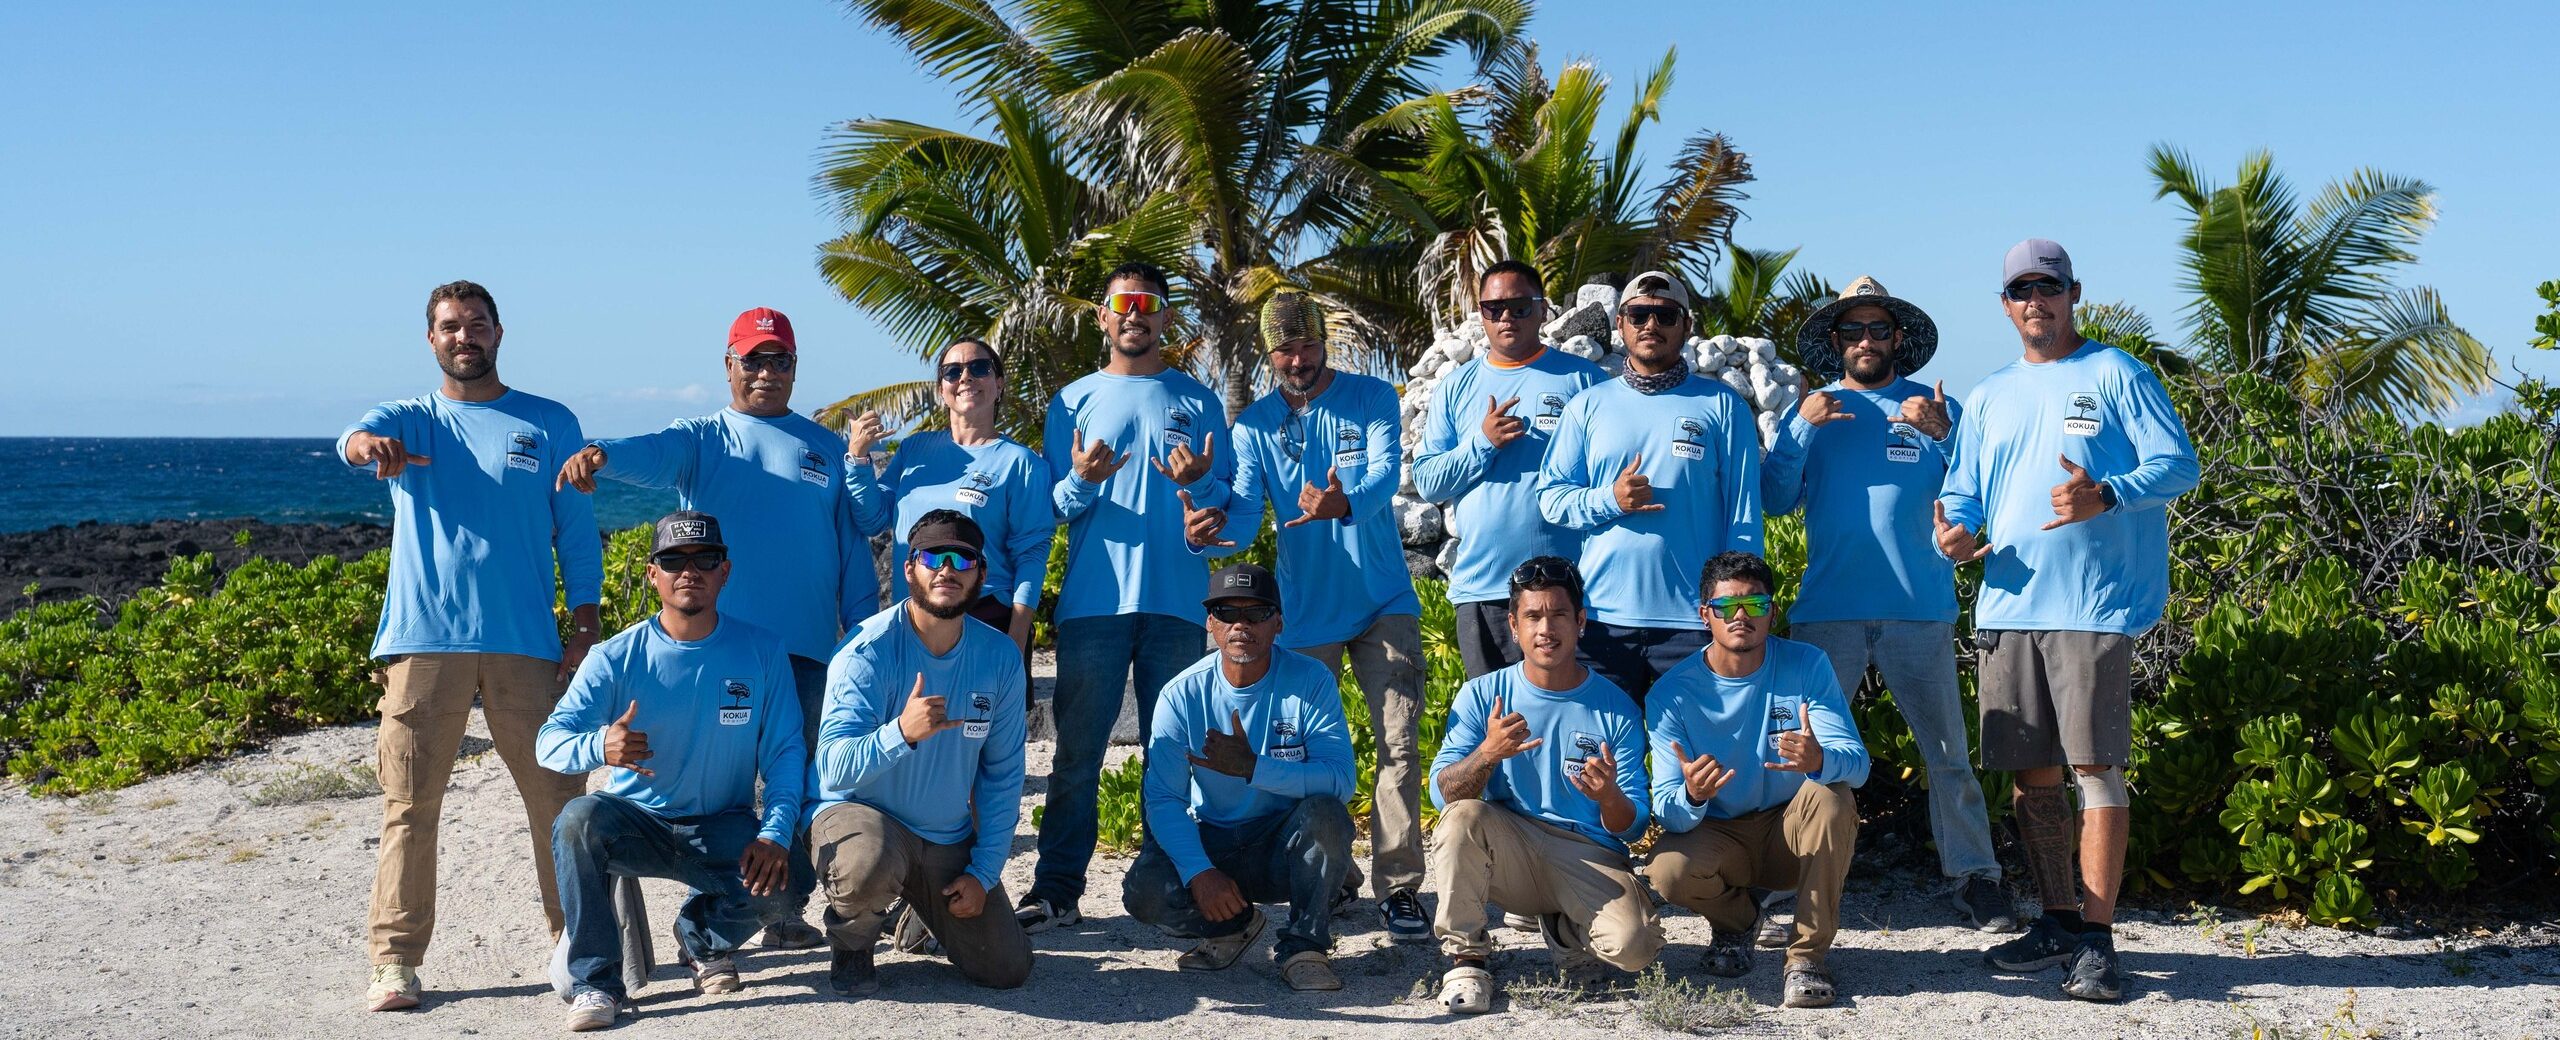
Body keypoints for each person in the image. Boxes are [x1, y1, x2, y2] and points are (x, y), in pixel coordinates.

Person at [554, 306, 882, 947]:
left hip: (809, 650)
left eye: (778, 359)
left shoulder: (824, 447)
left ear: (794, 368)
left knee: (803, 781)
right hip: (716, 650)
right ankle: (714, 905)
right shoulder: (702, 436)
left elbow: (850, 551)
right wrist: (599, 455)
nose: (765, 371)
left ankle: (782, 913)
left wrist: (862, 635)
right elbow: (646, 453)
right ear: (729, 366)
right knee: (719, 792)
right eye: (752, 359)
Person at [1937, 239, 2199, 1001]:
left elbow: (2179, 464)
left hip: (2094, 607)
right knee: (2033, 777)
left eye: (2047, 287)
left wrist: (2107, 494)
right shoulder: (1988, 396)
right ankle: (2055, 918)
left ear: (2072, 293)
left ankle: (2099, 938)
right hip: (2008, 605)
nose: (2035, 302)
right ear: (2005, 305)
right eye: (2020, 290)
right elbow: (1963, 493)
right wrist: (1951, 534)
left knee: (2096, 772)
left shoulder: (2117, 372)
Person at [342, 280, 600, 1013]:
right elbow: (356, 439)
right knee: (409, 804)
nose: (465, 337)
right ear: (431, 338)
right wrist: (370, 447)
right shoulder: (412, 421)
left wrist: (584, 627)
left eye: (477, 325)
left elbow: (577, 535)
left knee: (558, 801)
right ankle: (395, 962)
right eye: (450, 327)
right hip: (424, 644)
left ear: (498, 333)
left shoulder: (549, 422)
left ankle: (576, 948)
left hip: (525, 643)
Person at [1762, 278, 2015, 933]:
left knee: (1948, 756)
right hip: (1829, 609)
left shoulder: (1935, 407)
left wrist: (1943, 436)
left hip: (1918, 610)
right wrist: (1795, 430)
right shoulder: (1813, 410)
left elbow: (1980, 489)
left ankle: (1976, 878)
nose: (1867, 341)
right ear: (1837, 342)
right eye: (1854, 332)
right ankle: (1779, 874)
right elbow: (1774, 497)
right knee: (1795, 749)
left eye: (1879, 330)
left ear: (1898, 339)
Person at [1023, 261, 1236, 933]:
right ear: (1102, 317)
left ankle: (1164, 885)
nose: (1136, 313)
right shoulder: (1071, 400)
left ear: (1167, 317)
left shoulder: (1199, 401)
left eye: (1149, 303)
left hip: (1176, 605)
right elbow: (1052, 507)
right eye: (1123, 303)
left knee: (1170, 753)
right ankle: (1057, 888)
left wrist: (1203, 491)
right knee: (1076, 755)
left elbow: (1222, 510)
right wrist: (1083, 482)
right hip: (1093, 604)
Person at [1212, 291, 1428, 942]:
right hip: (1305, 614)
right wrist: (1209, 530)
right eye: (1284, 349)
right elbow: (1247, 513)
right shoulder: (1251, 426)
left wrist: (1342, 502)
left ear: (1323, 342)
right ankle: (1334, 879)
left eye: (1306, 345)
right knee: (1305, 754)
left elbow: (1386, 473)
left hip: (1384, 600)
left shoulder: (1371, 397)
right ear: (1267, 353)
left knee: (1397, 746)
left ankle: (1399, 891)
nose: (1297, 360)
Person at [536, 512, 805, 1030]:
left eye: (704, 559)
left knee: (796, 876)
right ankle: (596, 981)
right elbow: (549, 742)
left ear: (724, 572)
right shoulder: (614, 657)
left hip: (723, 824)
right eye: (673, 560)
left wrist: (773, 833)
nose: (689, 571)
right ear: (651, 574)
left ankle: (701, 938)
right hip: (636, 822)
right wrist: (600, 744)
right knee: (577, 820)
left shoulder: (762, 650)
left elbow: (786, 754)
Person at [806, 511, 1033, 997]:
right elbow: (831, 766)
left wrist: (983, 872)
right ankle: (853, 942)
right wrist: (901, 733)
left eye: (962, 558)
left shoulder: (1000, 657)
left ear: (982, 575)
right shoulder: (866, 650)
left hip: (943, 835)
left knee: (1006, 968)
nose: (947, 569)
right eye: (933, 557)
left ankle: (917, 912)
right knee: (869, 862)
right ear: (909, 569)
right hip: (861, 818)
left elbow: (1003, 775)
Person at [1427, 556, 1662, 1014]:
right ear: (1513, 626)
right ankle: (1467, 958)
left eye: (1558, 615)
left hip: (1585, 854)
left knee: (1635, 948)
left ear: (1580, 622)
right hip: (1508, 846)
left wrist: (1608, 796)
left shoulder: (1617, 708)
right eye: (1533, 616)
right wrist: (1488, 754)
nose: (1545, 629)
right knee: (1462, 818)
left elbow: (1632, 827)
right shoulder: (1483, 695)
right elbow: (1442, 795)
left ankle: (1564, 928)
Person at [1641, 552, 1869, 1009]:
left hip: (1790, 830)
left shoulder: (1808, 664)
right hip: (1722, 834)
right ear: (1705, 615)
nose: (1741, 616)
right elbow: (1666, 807)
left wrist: (1820, 758)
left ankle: (1806, 958)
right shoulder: (1670, 693)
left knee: (1833, 798)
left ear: (1774, 611)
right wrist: (1691, 794)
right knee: (1666, 870)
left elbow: (1858, 765)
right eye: (1726, 607)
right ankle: (1738, 921)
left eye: (1755, 604)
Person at [1122, 563, 1358, 990]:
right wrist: (1198, 872)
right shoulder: (1181, 695)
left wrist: (1253, 768)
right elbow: (1163, 800)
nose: (1241, 625)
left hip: (1282, 842)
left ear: (1278, 623)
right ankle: (1234, 926)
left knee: (1326, 815)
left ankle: (1304, 946)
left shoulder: (1310, 680)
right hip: (1212, 838)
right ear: (1210, 623)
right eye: (1227, 612)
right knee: (1145, 890)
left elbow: (1341, 781)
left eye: (1256, 613)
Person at [1537, 270, 1762, 702]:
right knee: (1599, 762)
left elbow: (1744, 514)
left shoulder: (1723, 406)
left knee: (1697, 762)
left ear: (1687, 326)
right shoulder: (1588, 405)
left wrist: (1735, 606)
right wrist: (1610, 499)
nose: (1650, 325)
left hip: (1694, 625)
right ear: (1620, 323)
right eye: (1638, 314)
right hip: (1603, 622)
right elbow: (1551, 497)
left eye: (1665, 315)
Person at [1413, 259, 1606, 678]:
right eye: (1492, 308)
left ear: (1542, 309)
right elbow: (1427, 481)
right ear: (1480, 314)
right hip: (1485, 590)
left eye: (1519, 306)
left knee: (1573, 727)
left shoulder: (1584, 380)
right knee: (1496, 728)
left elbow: (1606, 477)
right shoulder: (1456, 387)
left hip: (1567, 592)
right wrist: (1483, 444)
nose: (1505, 317)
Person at [871, 337, 1053, 706]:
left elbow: (1031, 555)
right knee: (912, 737)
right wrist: (857, 461)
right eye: (953, 371)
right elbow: (873, 516)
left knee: (985, 745)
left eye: (979, 368)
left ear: (999, 383)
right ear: (942, 389)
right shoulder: (913, 450)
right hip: (915, 618)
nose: (966, 377)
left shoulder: (1021, 463)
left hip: (987, 618)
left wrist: (1015, 638)